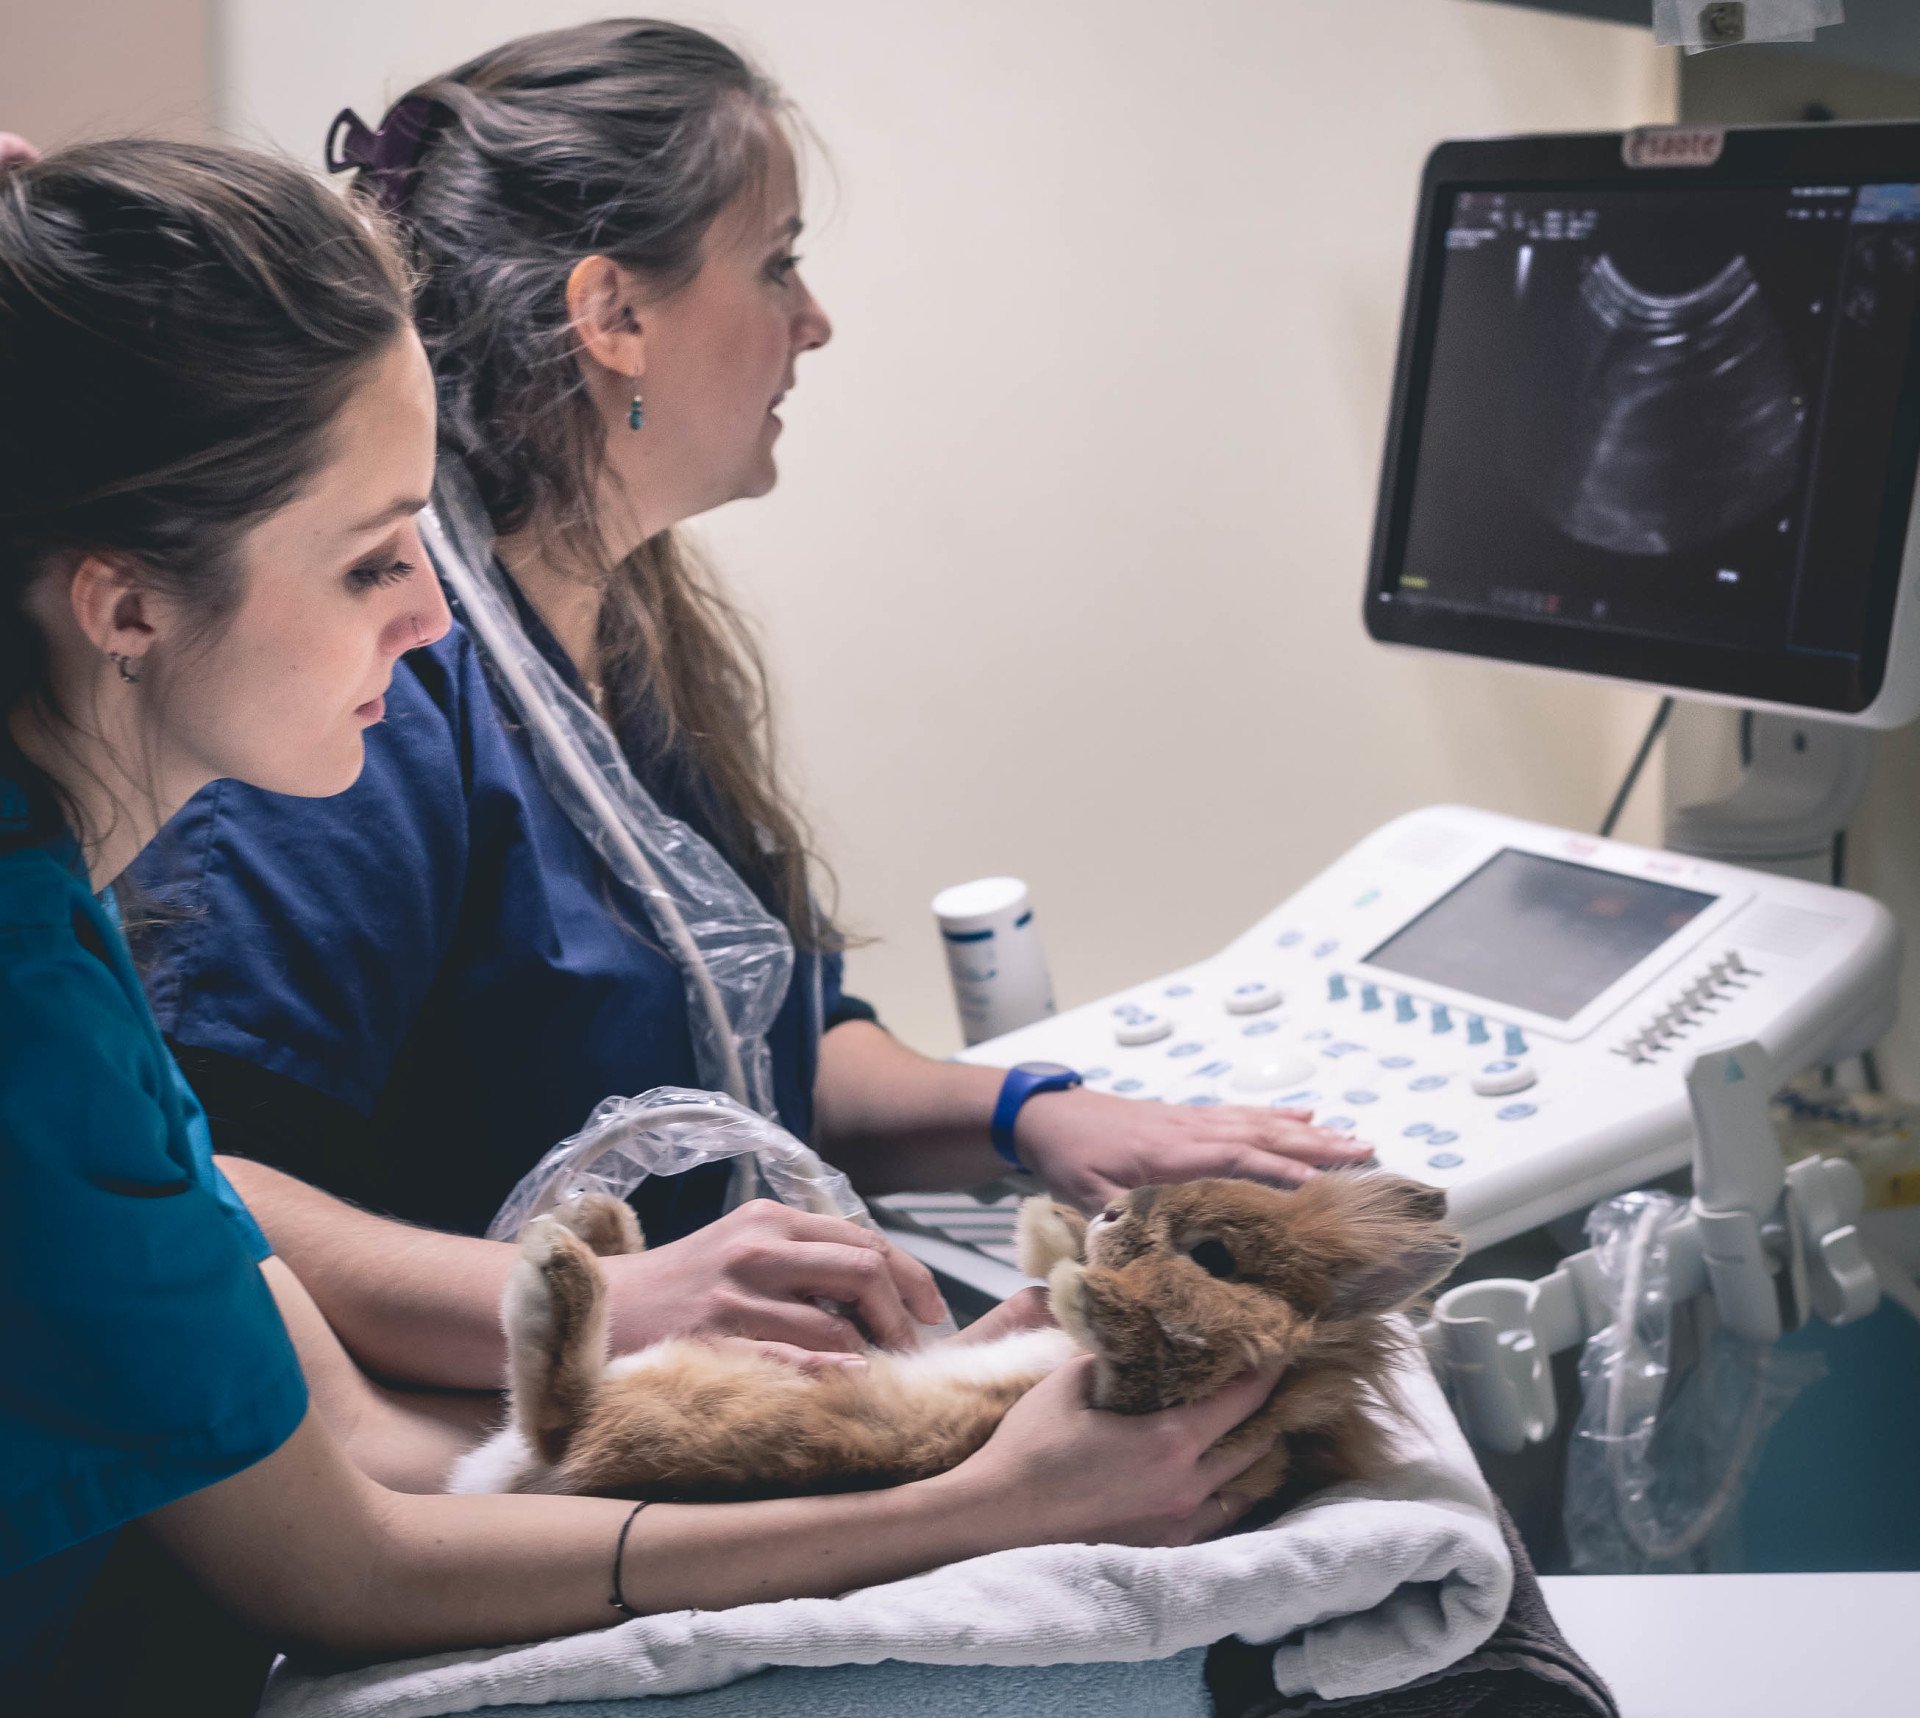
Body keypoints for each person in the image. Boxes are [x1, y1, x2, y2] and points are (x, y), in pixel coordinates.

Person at [0, 136, 1285, 1718]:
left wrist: (909, 1422)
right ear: (128, 607)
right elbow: (341, 1562)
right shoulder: (35, 1022)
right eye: (375, 559)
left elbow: (348, 1439)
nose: (432, 613)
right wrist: (980, 1508)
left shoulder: (55, 924)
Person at [130, 18, 1376, 1404]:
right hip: (509, 1456)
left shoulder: (629, 637)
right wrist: (604, 1304)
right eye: (776, 260)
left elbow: (773, 1036)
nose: (814, 318)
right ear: (613, 316)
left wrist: (1040, 1117)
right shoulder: (378, 696)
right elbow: (206, 1193)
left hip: (734, 1398)